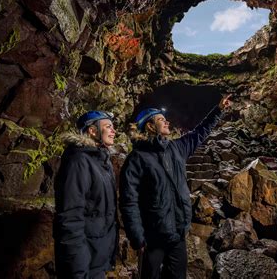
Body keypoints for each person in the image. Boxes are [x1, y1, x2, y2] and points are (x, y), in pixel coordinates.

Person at [120, 95, 232, 279]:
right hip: (152, 238)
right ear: (150, 126)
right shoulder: (137, 158)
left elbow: (200, 132)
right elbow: (128, 200)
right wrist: (137, 237)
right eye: (161, 120)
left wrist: (218, 109)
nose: (167, 122)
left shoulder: (176, 148)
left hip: (177, 235)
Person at [53, 110, 119, 279]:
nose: (114, 131)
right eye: (108, 127)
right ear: (93, 131)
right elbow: (70, 217)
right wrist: (78, 269)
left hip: (97, 258)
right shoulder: (78, 162)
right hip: (84, 263)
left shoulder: (102, 162)